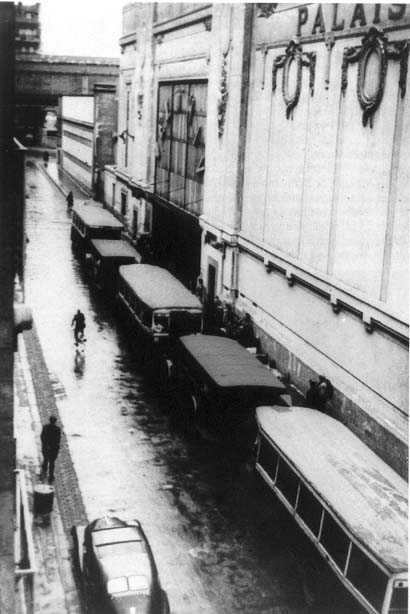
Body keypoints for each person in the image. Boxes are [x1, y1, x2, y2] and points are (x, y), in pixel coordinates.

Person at [41, 416, 61, 483]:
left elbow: (42, 436)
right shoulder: (57, 429)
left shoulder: (45, 427)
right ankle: (51, 476)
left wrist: (45, 444)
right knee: (52, 462)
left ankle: (45, 467)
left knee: (45, 457)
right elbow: (58, 440)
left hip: (46, 447)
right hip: (53, 449)